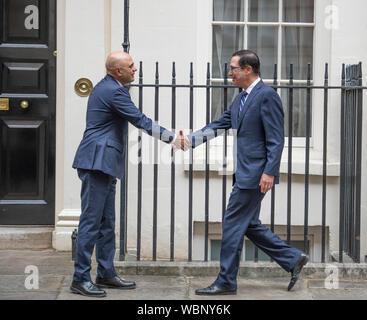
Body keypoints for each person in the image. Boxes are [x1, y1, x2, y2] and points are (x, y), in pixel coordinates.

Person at [184, 50, 308, 295]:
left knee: (231, 224)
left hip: (255, 175)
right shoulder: (240, 99)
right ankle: (293, 259)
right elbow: (220, 123)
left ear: (248, 69)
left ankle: (226, 281)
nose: (229, 73)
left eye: (233, 68)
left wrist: (269, 172)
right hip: (245, 173)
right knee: (248, 224)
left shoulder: (266, 96)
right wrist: (190, 140)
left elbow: (275, 139)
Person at [70, 51, 187, 297]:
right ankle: (80, 278)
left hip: (105, 162)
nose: (135, 69)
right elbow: (139, 119)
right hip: (97, 161)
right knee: (91, 223)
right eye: (131, 66)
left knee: (106, 223)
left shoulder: (109, 86)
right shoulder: (114, 91)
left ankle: (106, 273)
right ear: (117, 71)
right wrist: (171, 139)